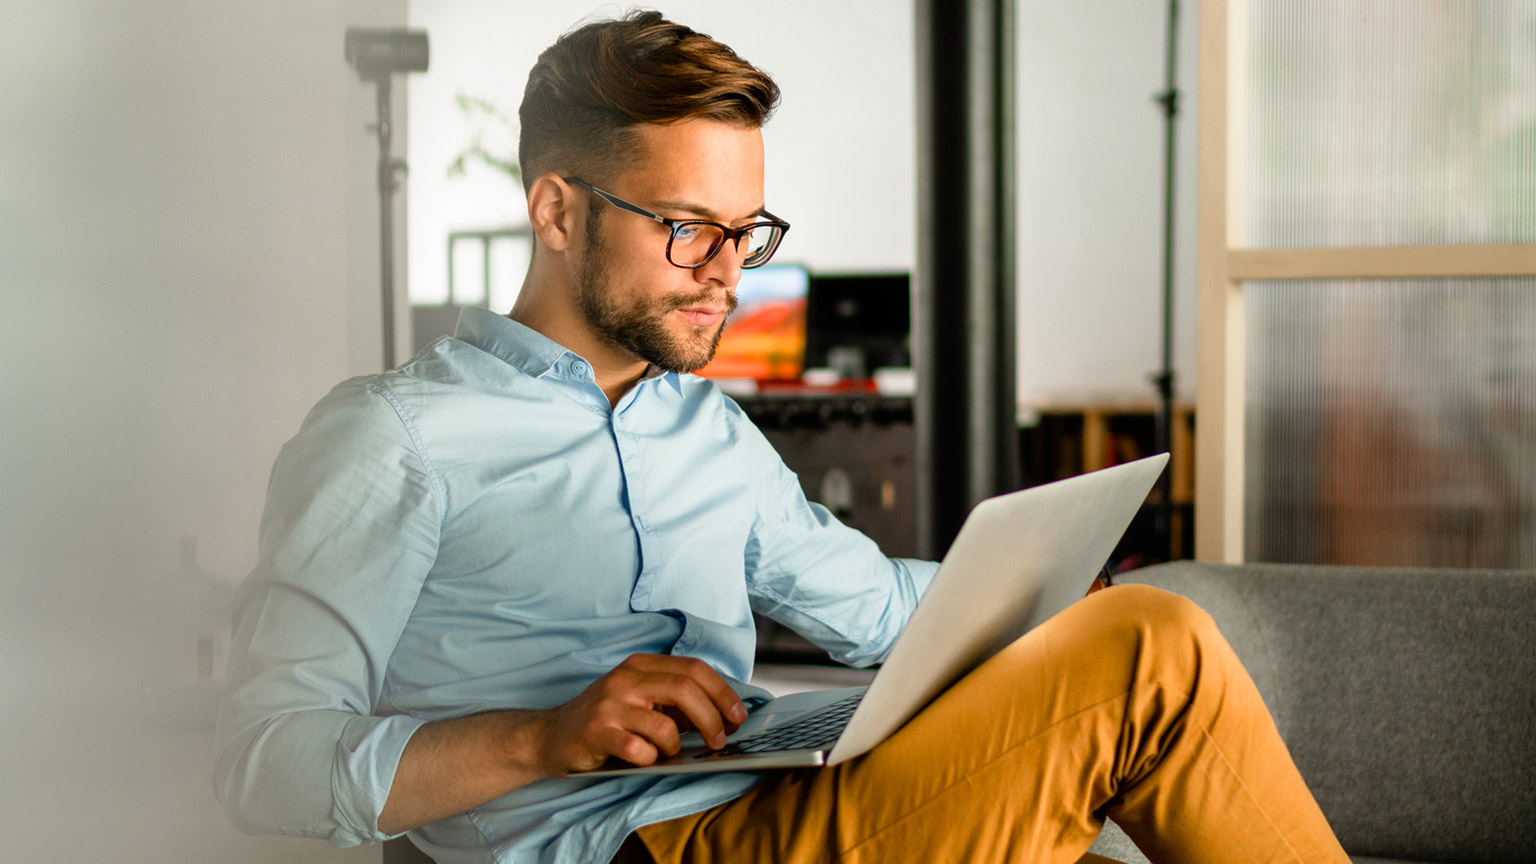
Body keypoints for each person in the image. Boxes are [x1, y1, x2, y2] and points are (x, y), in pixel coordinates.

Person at [215, 10, 1350, 864]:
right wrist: (543, 738)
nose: (727, 274)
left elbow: (871, 609)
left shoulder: (707, 429)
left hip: (775, 797)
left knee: (1131, 641)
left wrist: (1051, 596)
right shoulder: (394, 438)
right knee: (1155, 649)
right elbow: (260, 761)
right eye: (687, 230)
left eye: (744, 232)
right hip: (627, 848)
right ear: (558, 210)